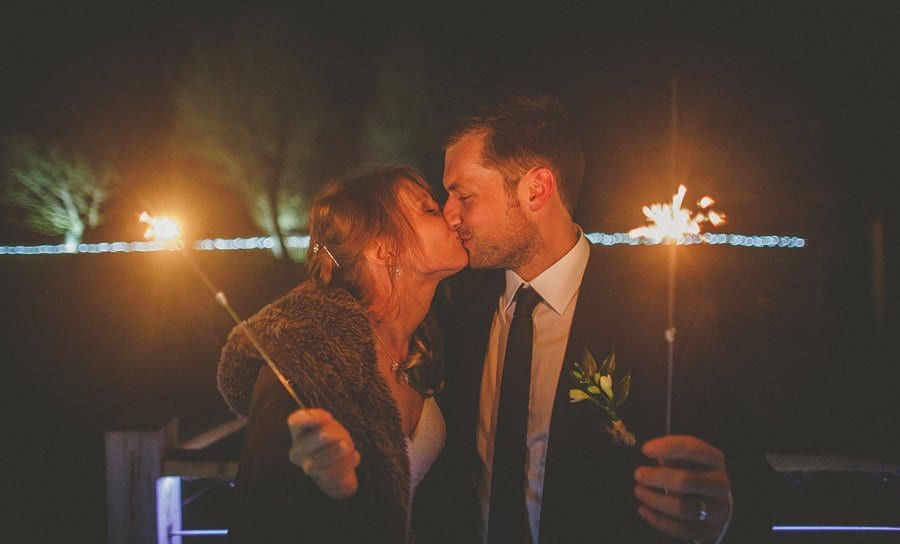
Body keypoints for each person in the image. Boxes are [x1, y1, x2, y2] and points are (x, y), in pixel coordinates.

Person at [436, 95, 735, 543]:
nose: (449, 213)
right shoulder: (455, 308)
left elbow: (738, 465)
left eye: (464, 195)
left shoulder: (665, 319)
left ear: (536, 190)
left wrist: (721, 515)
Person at [217, 164, 468, 543]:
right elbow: (260, 517)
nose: (451, 216)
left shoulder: (425, 343)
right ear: (383, 249)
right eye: (429, 209)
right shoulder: (305, 359)